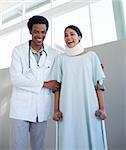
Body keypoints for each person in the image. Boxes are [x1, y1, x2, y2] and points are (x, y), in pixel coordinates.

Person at [51, 25, 108, 150]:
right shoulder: (60, 59)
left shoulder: (91, 56)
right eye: (66, 35)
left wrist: (102, 108)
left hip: (90, 106)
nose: (68, 37)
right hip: (67, 108)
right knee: (69, 140)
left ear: (79, 37)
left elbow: (99, 85)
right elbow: (56, 88)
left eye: (72, 34)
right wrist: (56, 110)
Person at [9, 15, 60, 150]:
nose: (39, 35)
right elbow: (16, 79)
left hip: (42, 109)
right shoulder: (18, 51)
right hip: (21, 108)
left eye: (43, 32)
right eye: (36, 31)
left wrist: (90, 65)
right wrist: (45, 84)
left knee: (38, 147)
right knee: (17, 146)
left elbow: (66, 68)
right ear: (30, 31)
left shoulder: (54, 53)